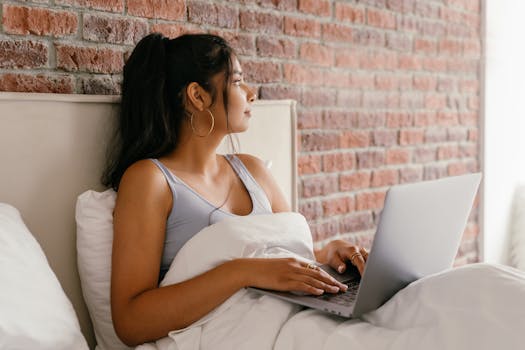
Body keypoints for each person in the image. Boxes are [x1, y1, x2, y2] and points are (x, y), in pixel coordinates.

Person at [102, 32, 369, 346]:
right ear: (198, 96)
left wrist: (329, 255)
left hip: (300, 312)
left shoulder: (252, 170)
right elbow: (131, 322)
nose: (251, 93)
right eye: (238, 81)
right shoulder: (150, 179)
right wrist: (243, 272)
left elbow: (285, 259)